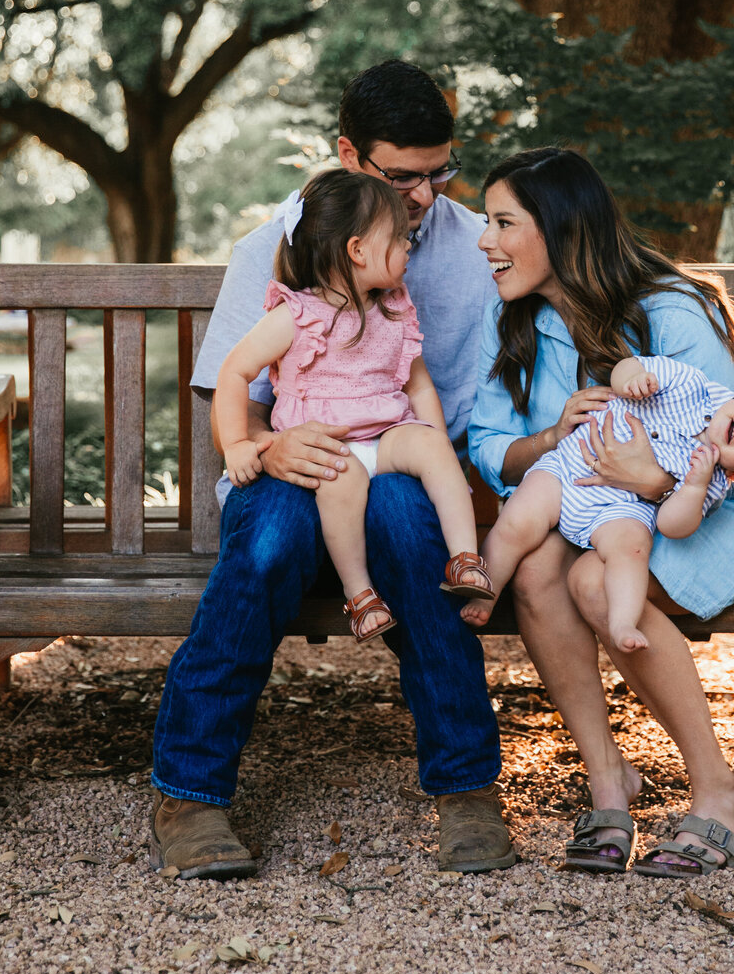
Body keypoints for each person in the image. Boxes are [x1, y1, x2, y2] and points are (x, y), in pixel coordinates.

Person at [149, 61, 506, 881]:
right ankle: (191, 792)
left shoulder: (471, 248)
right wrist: (270, 448)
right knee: (271, 542)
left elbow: (467, 387)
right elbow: (233, 391)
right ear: (349, 155)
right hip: (290, 461)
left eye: (440, 171)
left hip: (401, 460)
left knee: (412, 532)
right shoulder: (275, 248)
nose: (424, 195)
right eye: (402, 176)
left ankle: (466, 786)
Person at [468, 148, 734, 877]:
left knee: (590, 582)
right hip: (599, 502)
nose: (485, 240)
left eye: (503, 222)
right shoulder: (513, 319)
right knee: (537, 571)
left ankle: (718, 794)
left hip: (712, 506)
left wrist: (649, 480)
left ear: (558, 228)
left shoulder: (667, 312)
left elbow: (728, 448)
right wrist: (550, 437)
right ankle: (610, 781)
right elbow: (488, 445)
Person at [215, 168, 491, 644]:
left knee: (431, 447)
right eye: (400, 240)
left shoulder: (393, 308)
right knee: (338, 485)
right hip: (329, 450)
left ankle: (466, 559)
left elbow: (419, 385)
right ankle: (361, 595)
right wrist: (240, 444)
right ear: (358, 250)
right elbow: (233, 372)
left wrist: (433, 439)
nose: (409, 248)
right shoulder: (298, 315)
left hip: (385, 439)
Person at [464, 351, 734, 653]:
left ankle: (622, 622)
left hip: (622, 508)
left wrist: (692, 489)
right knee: (518, 521)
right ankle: (486, 589)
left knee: (632, 549)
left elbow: (671, 525)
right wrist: (632, 378)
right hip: (573, 464)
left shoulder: (713, 481)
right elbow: (628, 365)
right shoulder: (689, 384)